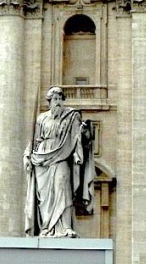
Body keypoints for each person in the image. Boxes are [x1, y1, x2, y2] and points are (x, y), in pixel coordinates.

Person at [24, 86, 94, 237]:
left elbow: (80, 137)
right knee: (44, 197)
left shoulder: (71, 117)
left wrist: (84, 132)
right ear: (49, 102)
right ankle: (46, 227)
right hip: (42, 158)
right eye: (55, 99)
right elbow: (35, 140)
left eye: (60, 99)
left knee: (63, 188)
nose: (58, 102)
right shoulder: (41, 118)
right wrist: (27, 155)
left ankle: (65, 227)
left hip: (62, 155)